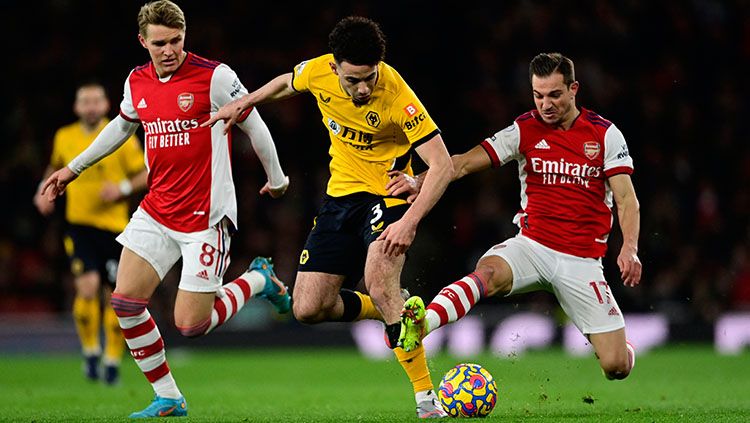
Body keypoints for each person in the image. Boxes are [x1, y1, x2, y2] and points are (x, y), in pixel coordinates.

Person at [40, 0, 291, 418]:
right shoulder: (136, 82)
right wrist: (73, 169)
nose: (169, 50)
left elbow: (254, 123)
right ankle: (170, 397)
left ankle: (257, 280)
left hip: (206, 218)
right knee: (125, 302)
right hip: (157, 210)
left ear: (185, 36)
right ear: (143, 41)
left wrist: (277, 177)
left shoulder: (215, 77)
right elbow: (120, 126)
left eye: (176, 40)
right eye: (160, 43)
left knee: (192, 325)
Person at [205, 16, 453, 418]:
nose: (363, 88)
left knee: (379, 275)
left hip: (386, 194)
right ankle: (392, 306)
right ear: (335, 67)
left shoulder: (396, 95)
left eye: (369, 77)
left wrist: (409, 221)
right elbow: (288, 81)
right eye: (353, 79)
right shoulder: (319, 70)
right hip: (340, 201)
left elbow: (442, 165)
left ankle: (427, 400)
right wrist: (246, 101)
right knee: (307, 308)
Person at [396, 52, 641, 381]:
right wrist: (418, 180)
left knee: (616, 367)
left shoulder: (605, 135)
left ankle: (619, 347)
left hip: (581, 261)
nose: (546, 104)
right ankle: (424, 322)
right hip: (532, 246)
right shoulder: (524, 129)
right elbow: (464, 162)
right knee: (489, 272)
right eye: (538, 96)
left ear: (574, 89)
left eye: (554, 95)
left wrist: (630, 248)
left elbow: (626, 198)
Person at [33, 82, 148, 385]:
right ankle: (90, 350)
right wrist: (41, 192)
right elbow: (55, 166)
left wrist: (122, 188)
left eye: (96, 101)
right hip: (79, 224)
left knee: (115, 297)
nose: (91, 106)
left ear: (107, 104)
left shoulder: (121, 134)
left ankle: (111, 360)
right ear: (77, 107)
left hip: (115, 228)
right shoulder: (64, 136)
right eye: (85, 101)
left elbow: (145, 172)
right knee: (87, 288)